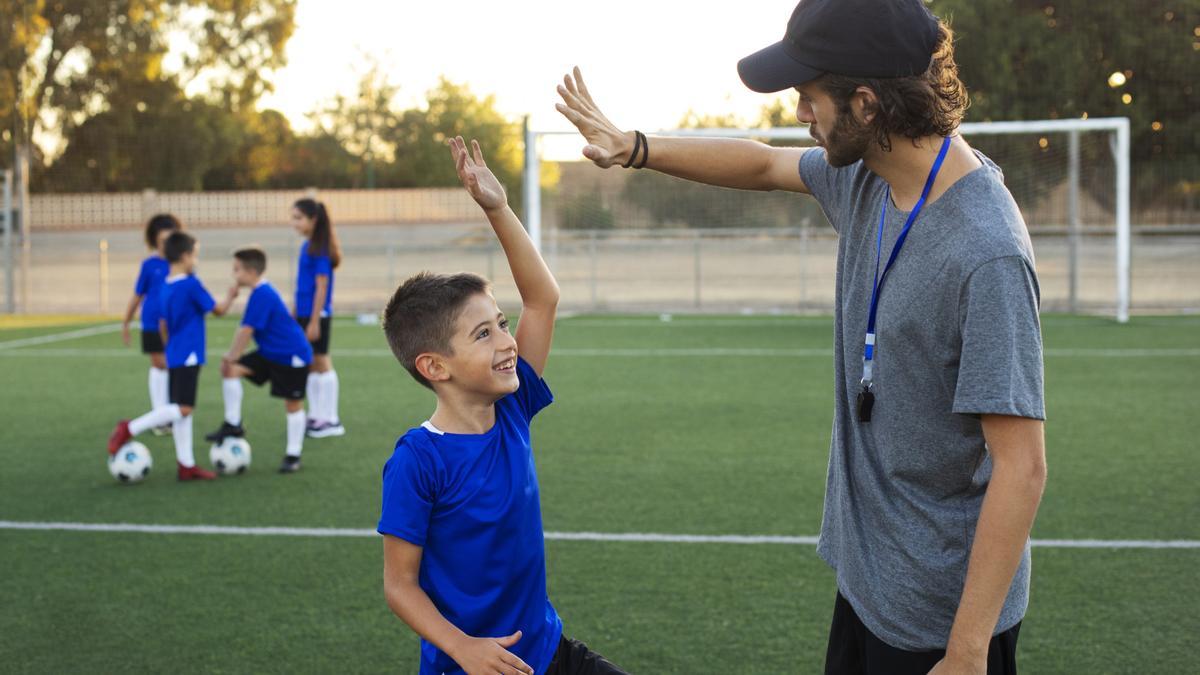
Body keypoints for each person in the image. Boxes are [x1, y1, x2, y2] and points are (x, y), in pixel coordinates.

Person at [556, 1, 1047, 673]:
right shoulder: (866, 177)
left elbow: (1022, 467)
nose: (797, 114)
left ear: (868, 104)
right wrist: (634, 147)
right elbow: (762, 165)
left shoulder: (985, 251)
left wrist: (966, 654)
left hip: (941, 621)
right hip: (870, 586)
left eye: (807, 96)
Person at [378, 137, 626, 675]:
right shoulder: (418, 460)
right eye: (483, 334)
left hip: (547, 650)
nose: (507, 343)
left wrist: (498, 208)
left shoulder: (511, 410)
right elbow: (399, 586)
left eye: (503, 325)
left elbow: (543, 299)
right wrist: (462, 647)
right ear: (435, 367)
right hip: (470, 667)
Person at [109, 231, 238, 481]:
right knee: (184, 408)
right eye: (195, 255)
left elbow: (162, 324)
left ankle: (186, 464)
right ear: (184, 256)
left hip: (176, 352)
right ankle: (129, 428)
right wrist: (231, 297)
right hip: (189, 353)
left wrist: (170, 348)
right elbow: (219, 310)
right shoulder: (191, 284)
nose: (196, 261)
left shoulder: (166, 286)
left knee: (181, 410)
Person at [204, 247, 313, 474]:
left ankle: (293, 455)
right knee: (231, 371)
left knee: (292, 405)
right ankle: (233, 424)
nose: (234, 274)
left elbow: (246, 331)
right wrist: (231, 360)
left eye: (237, 270)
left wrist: (230, 355)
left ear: (251, 271)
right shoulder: (257, 293)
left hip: (291, 355)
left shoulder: (263, 293)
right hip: (269, 352)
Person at [120, 213, 182, 436]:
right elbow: (137, 295)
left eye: (170, 239)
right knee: (159, 364)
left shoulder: (180, 264)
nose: (166, 244)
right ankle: (160, 417)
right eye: (162, 240)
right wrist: (126, 322)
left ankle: (168, 413)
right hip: (151, 323)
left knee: (173, 365)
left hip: (175, 324)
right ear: (154, 240)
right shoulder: (149, 265)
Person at [290, 198, 344, 438]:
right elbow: (302, 285)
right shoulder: (308, 245)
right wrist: (295, 311)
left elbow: (321, 287)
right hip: (303, 312)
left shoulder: (320, 248)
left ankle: (331, 419)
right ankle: (316, 415)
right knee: (310, 362)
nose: (294, 223)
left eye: (298, 218)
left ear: (313, 220)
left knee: (321, 361)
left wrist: (313, 321)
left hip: (316, 314)